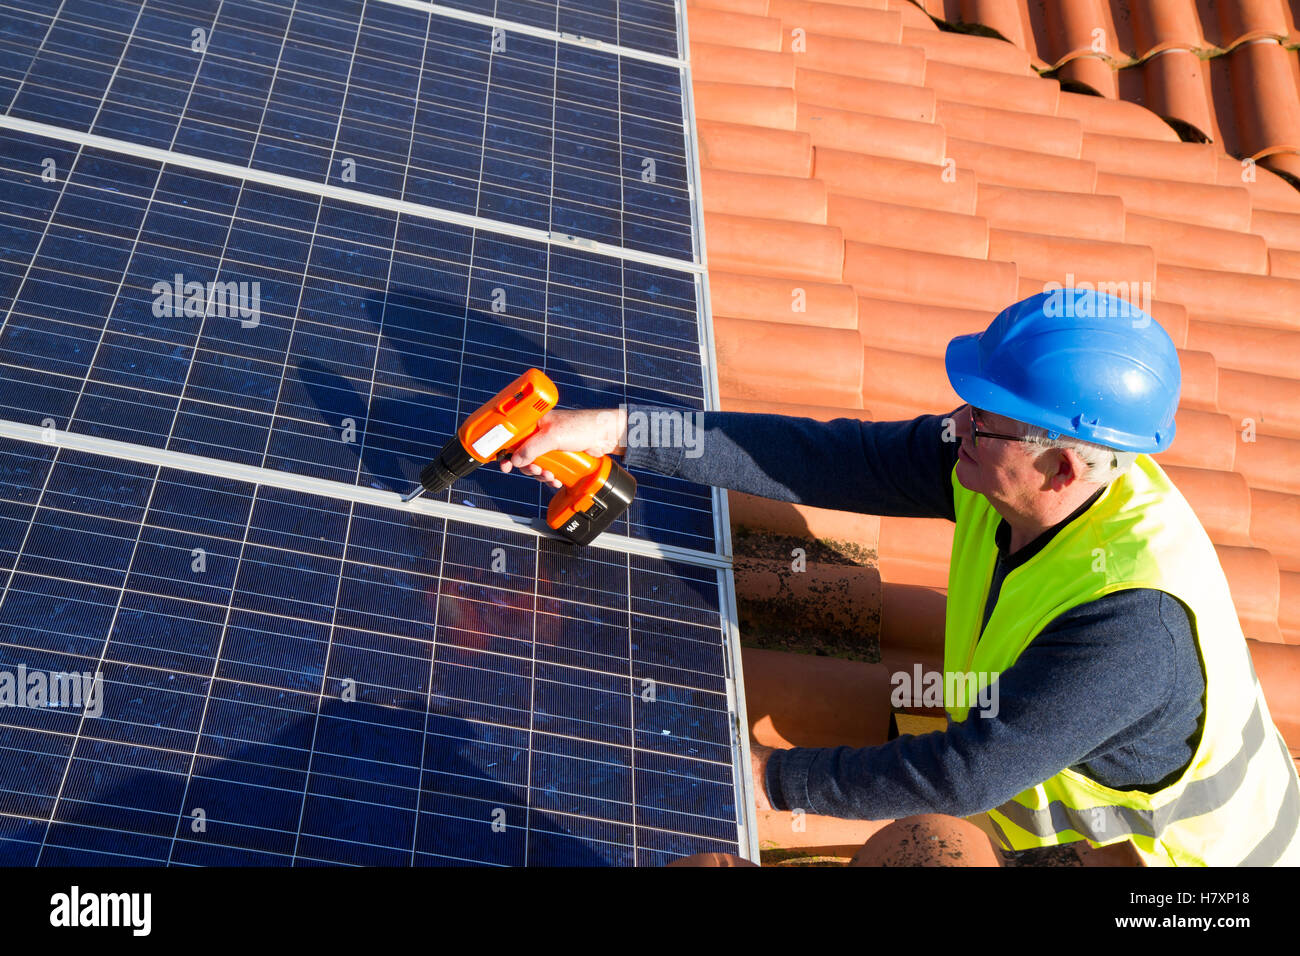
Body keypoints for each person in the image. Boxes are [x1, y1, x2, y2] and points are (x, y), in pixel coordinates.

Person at [500, 289, 1300, 866]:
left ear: (1058, 467)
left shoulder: (1130, 627)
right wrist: (624, 429)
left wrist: (773, 777)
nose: (955, 426)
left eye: (981, 418)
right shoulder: (1014, 467)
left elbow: (965, 774)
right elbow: (824, 457)